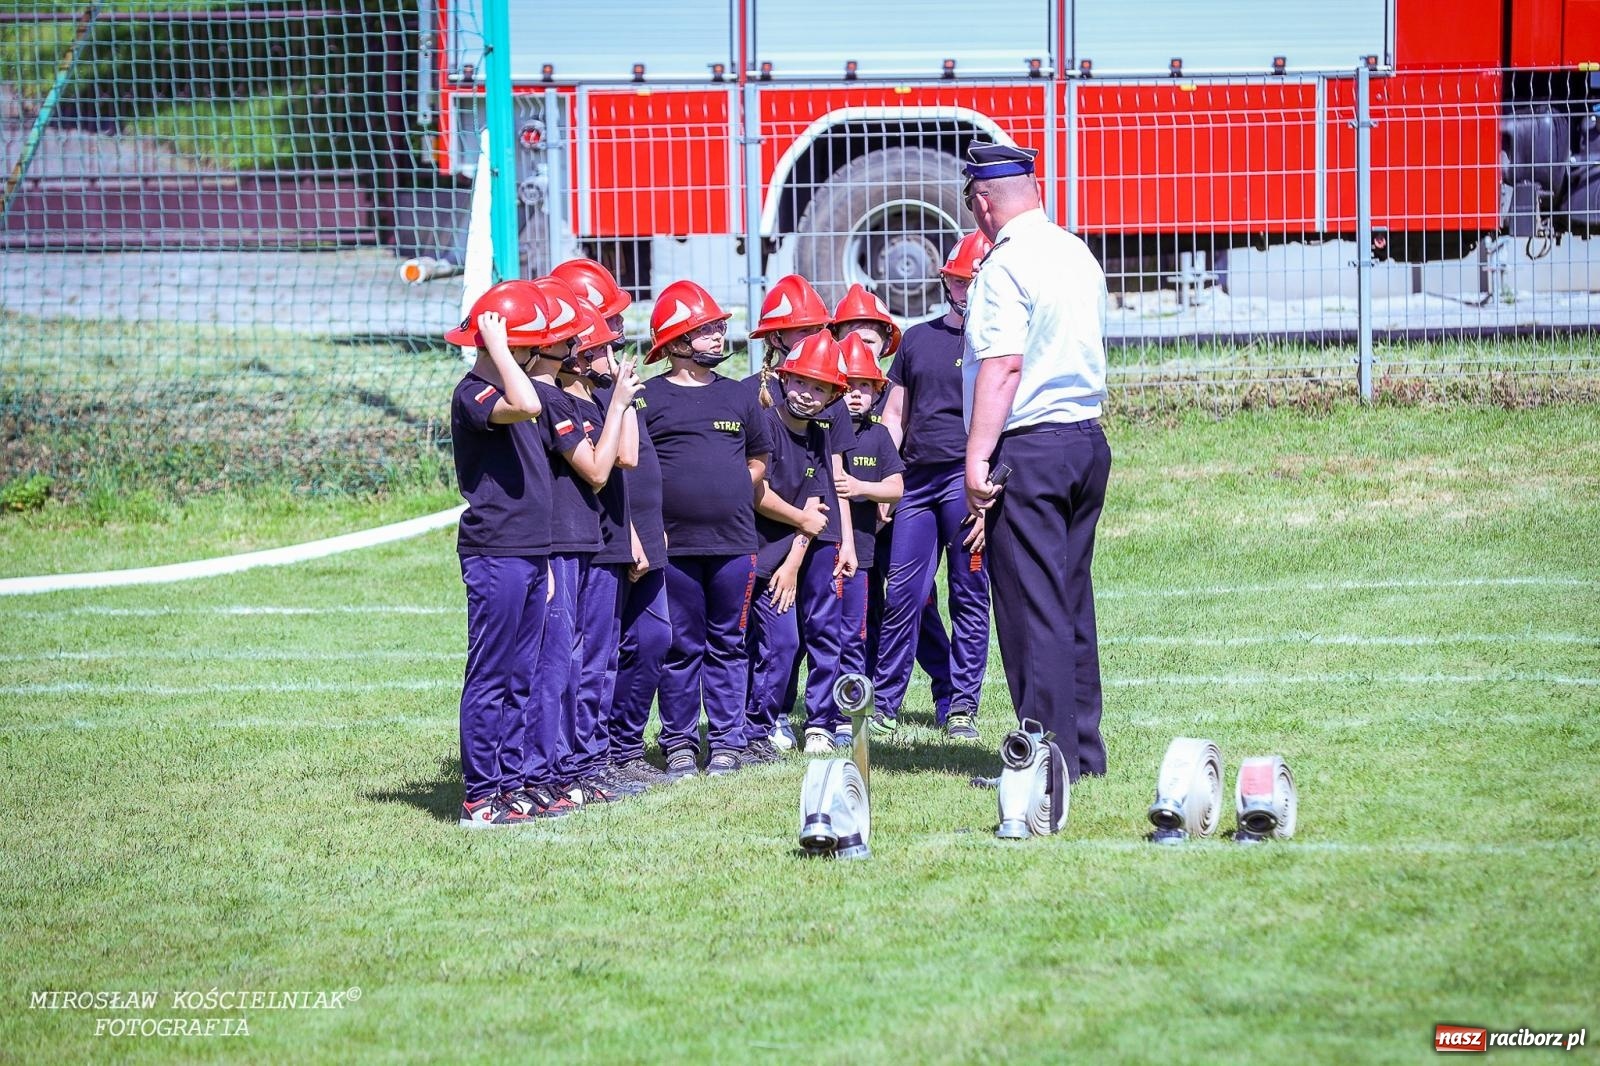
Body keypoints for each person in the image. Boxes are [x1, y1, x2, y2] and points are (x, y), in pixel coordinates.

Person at [961, 141, 1112, 782]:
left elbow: (1002, 365)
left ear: (982, 201)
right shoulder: (1074, 249)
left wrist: (976, 456)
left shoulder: (1004, 266)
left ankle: (1045, 759)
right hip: (1083, 438)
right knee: (1071, 599)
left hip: (1030, 444)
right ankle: (1081, 750)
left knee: (1031, 607)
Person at [446, 280, 578, 826]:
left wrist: (545, 559)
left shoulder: (516, 391)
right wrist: (497, 348)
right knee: (493, 673)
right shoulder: (475, 393)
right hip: (494, 551)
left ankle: (508, 784)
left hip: (529, 552)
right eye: (534, 344)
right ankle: (480, 795)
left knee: (521, 674)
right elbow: (523, 402)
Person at [641, 279, 772, 779]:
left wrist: (734, 486)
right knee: (681, 647)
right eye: (707, 329)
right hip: (674, 548)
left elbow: (761, 456)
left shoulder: (738, 397)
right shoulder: (648, 400)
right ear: (675, 343)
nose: (719, 336)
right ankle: (677, 742)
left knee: (729, 644)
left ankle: (726, 742)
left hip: (736, 545)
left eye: (719, 327)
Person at [553, 258, 673, 787]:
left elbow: (634, 462)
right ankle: (583, 760)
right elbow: (605, 471)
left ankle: (610, 752)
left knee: (637, 644)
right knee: (585, 656)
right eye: (608, 325)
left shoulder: (608, 388)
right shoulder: (569, 395)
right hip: (592, 540)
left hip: (626, 533)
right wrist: (626, 533)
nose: (619, 335)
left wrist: (646, 526)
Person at [874, 231, 995, 742]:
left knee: (968, 593)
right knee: (905, 593)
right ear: (948, 283)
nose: (966, 290)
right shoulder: (918, 339)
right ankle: (883, 704)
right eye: (960, 281)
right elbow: (895, 415)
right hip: (916, 486)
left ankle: (961, 705)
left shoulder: (1000, 346)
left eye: (975, 282)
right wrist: (885, 477)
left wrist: (988, 497)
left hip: (964, 486)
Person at [745, 334, 837, 758]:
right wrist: (800, 521)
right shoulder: (764, 424)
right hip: (751, 555)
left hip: (786, 560)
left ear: (833, 395)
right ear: (783, 378)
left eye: (819, 388)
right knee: (755, 645)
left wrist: (794, 562)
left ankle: (768, 726)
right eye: (800, 382)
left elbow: (816, 508)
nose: (807, 394)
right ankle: (745, 728)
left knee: (788, 642)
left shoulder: (820, 435)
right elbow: (755, 493)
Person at [834, 332, 905, 742]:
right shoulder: (821, 431)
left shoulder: (877, 437)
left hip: (860, 554)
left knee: (853, 636)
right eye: (849, 385)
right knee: (815, 637)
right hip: (822, 552)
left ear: (878, 391)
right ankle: (806, 714)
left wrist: (860, 488)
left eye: (865, 386)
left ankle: (850, 712)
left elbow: (896, 488)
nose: (856, 395)